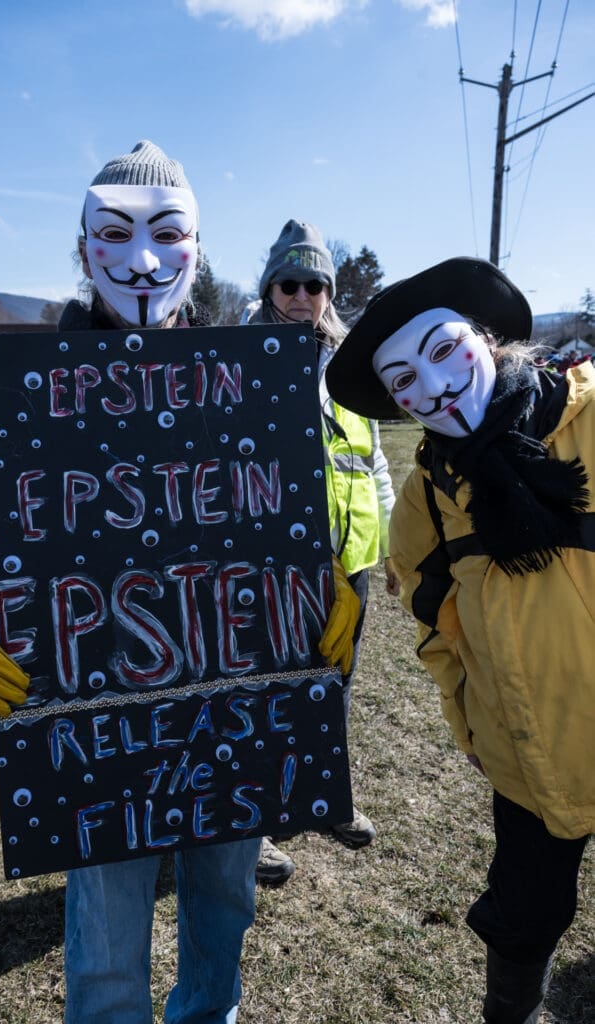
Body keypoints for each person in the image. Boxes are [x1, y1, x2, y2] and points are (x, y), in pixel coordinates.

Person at [0, 142, 360, 1024]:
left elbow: (278, 499)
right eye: (116, 235)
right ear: (83, 247)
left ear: (197, 247)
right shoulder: (36, 380)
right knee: (106, 926)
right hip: (99, 716)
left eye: (167, 234)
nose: (143, 261)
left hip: (233, 700)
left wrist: (325, 577)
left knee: (225, 901)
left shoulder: (244, 369)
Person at [325, 256, 594, 1024]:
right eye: (404, 379)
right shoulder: (425, 498)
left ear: (486, 338)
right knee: (525, 915)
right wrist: (467, 721)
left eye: (443, 349)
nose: (436, 386)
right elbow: (433, 624)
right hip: (526, 753)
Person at [242, 219, 399, 884]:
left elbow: (372, 460)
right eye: (290, 283)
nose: (303, 296)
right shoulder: (237, 357)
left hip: (348, 561)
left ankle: (324, 795)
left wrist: (390, 547)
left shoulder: (347, 364)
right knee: (262, 691)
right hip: (273, 567)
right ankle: (254, 820)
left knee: (334, 683)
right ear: (269, 288)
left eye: (316, 285)